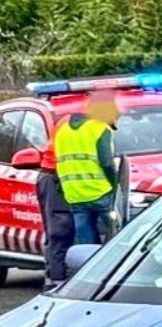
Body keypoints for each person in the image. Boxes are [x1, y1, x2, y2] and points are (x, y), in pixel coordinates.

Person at [53, 89, 120, 246]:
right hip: (100, 190)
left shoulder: (62, 131)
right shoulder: (99, 127)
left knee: (85, 242)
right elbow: (107, 162)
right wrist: (115, 184)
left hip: (75, 194)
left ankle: (89, 267)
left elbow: (59, 162)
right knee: (119, 236)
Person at [33, 150, 74, 287]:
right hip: (56, 178)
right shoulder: (66, 129)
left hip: (69, 180)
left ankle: (56, 276)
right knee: (60, 230)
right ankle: (56, 280)